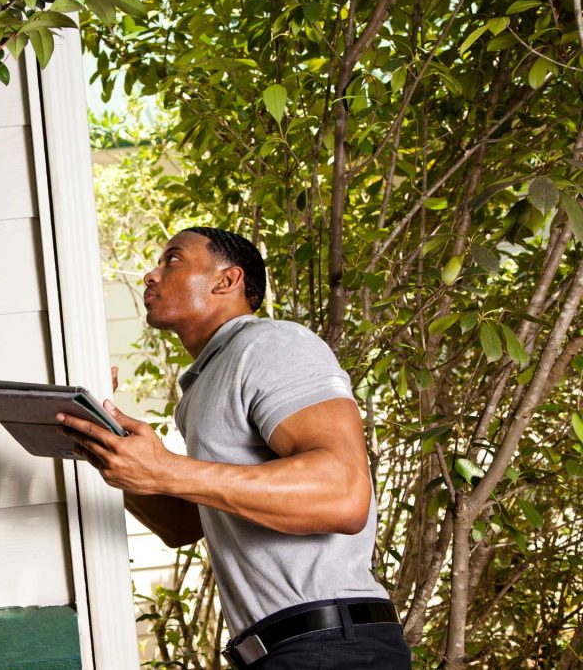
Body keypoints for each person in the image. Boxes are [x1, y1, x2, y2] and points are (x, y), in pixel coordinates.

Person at [55, 227, 411, 669]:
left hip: (331, 645)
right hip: (281, 650)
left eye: (172, 260)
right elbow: (183, 525)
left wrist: (166, 469)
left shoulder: (271, 343)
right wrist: (106, 444)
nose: (151, 275)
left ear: (227, 281)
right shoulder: (204, 385)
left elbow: (343, 493)